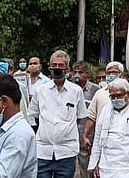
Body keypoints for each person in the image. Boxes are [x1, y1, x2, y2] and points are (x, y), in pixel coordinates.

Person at [28, 50, 88, 178]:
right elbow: (34, 115)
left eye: (61, 65)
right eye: (54, 65)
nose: (57, 68)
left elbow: (79, 117)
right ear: (49, 67)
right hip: (43, 151)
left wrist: (64, 129)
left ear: (67, 68)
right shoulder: (41, 90)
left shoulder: (76, 91)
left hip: (66, 151)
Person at [88, 79, 129, 178]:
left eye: (119, 95)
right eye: (112, 96)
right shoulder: (105, 110)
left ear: (128, 94)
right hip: (107, 168)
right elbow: (97, 140)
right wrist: (94, 164)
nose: (116, 99)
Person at [82, 61, 129, 154]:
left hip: (125, 140)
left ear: (121, 74)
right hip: (103, 139)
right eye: (109, 73)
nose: (111, 75)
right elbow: (92, 116)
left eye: (114, 72)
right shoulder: (99, 93)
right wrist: (85, 136)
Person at [73, 60, 101, 178]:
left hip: (90, 135)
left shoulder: (96, 90)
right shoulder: (70, 89)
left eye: (81, 72)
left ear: (87, 74)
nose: (77, 75)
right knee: (81, 170)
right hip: (73, 134)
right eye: (75, 72)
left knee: (92, 169)